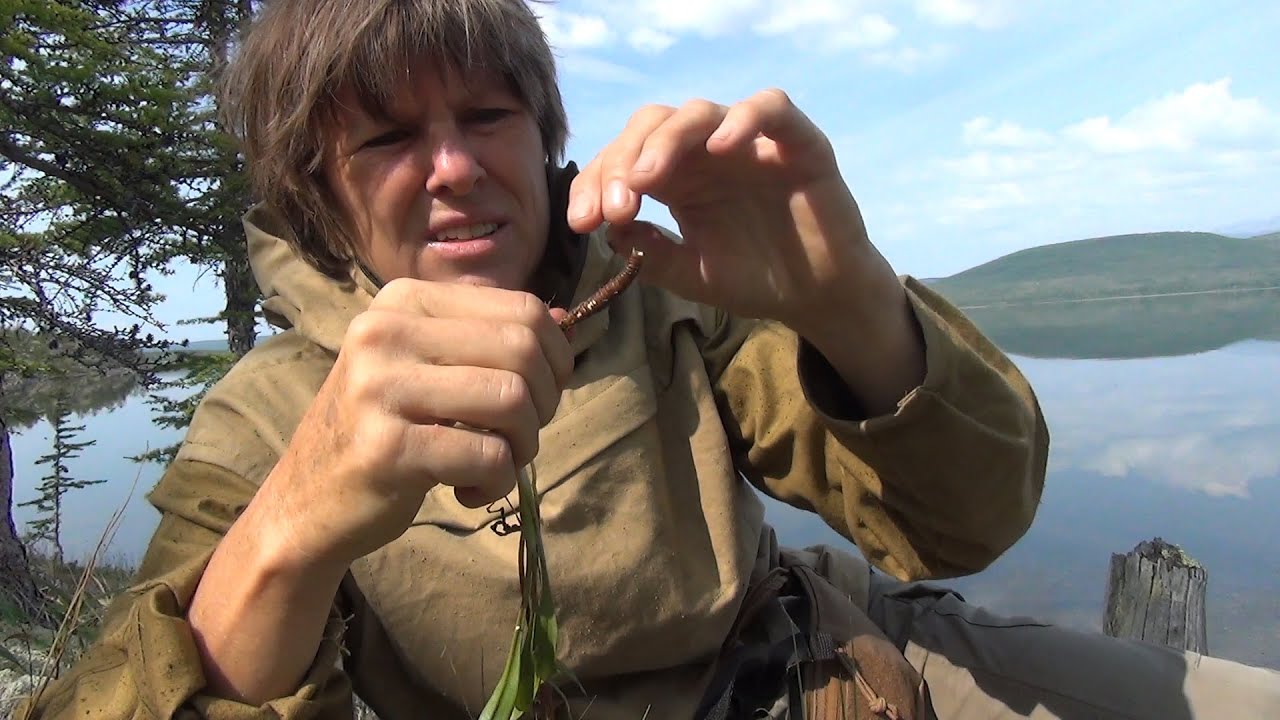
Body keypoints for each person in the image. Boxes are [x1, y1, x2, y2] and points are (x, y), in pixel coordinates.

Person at [20, 1, 1280, 718]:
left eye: (486, 115)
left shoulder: (665, 290)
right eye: (388, 138)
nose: (452, 166)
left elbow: (966, 524)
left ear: (542, 135)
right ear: (318, 191)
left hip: (818, 667)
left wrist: (847, 300)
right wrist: (292, 527)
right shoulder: (264, 419)